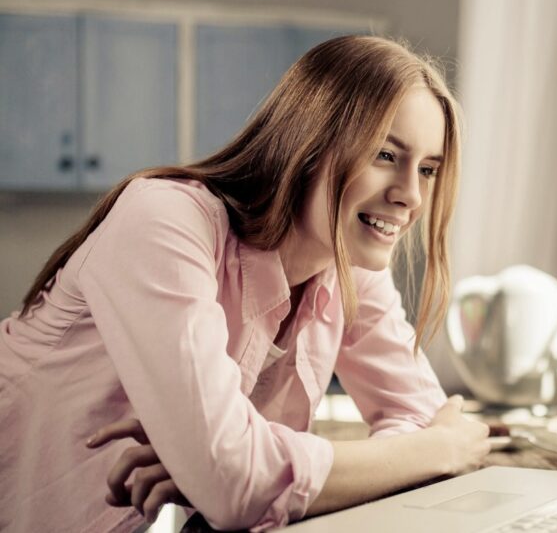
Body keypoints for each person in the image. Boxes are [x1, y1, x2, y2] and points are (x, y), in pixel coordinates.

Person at [0, 35, 490, 532]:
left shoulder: (351, 265)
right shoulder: (165, 219)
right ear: (310, 143)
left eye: (428, 169)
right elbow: (233, 481)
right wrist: (438, 448)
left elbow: (422, 422)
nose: (411, 195)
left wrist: (215, 463)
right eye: (385, 155)